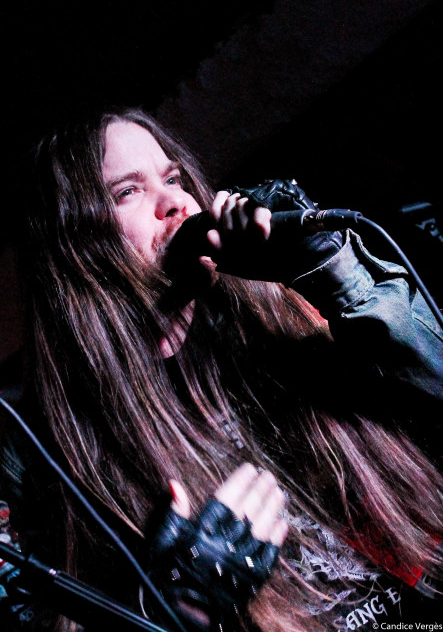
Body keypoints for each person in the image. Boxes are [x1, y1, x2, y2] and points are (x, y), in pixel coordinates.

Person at [0, 105, 442, 632]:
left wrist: (335, 274)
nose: (176, 202)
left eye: (172, 178)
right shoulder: (47, 448)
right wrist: (166, 610)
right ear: (72, 249)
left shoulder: (281, 306)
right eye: (127, 192)